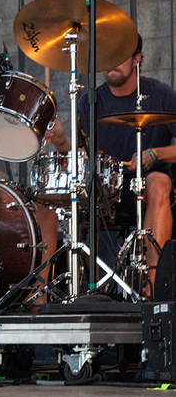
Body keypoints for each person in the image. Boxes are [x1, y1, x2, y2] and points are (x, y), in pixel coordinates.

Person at [46, 35, 176, 295]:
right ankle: (36, 297)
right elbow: (81, 157)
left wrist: (155, 154)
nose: (111, 63)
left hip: (147, 190)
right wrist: (61, 142)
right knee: (45, 199)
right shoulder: (89, 101)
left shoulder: (161, 94)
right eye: (107, 56)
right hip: (103, 190)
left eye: (120, 56)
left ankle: (152, 290)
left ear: (137, 59)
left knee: (159, 181)